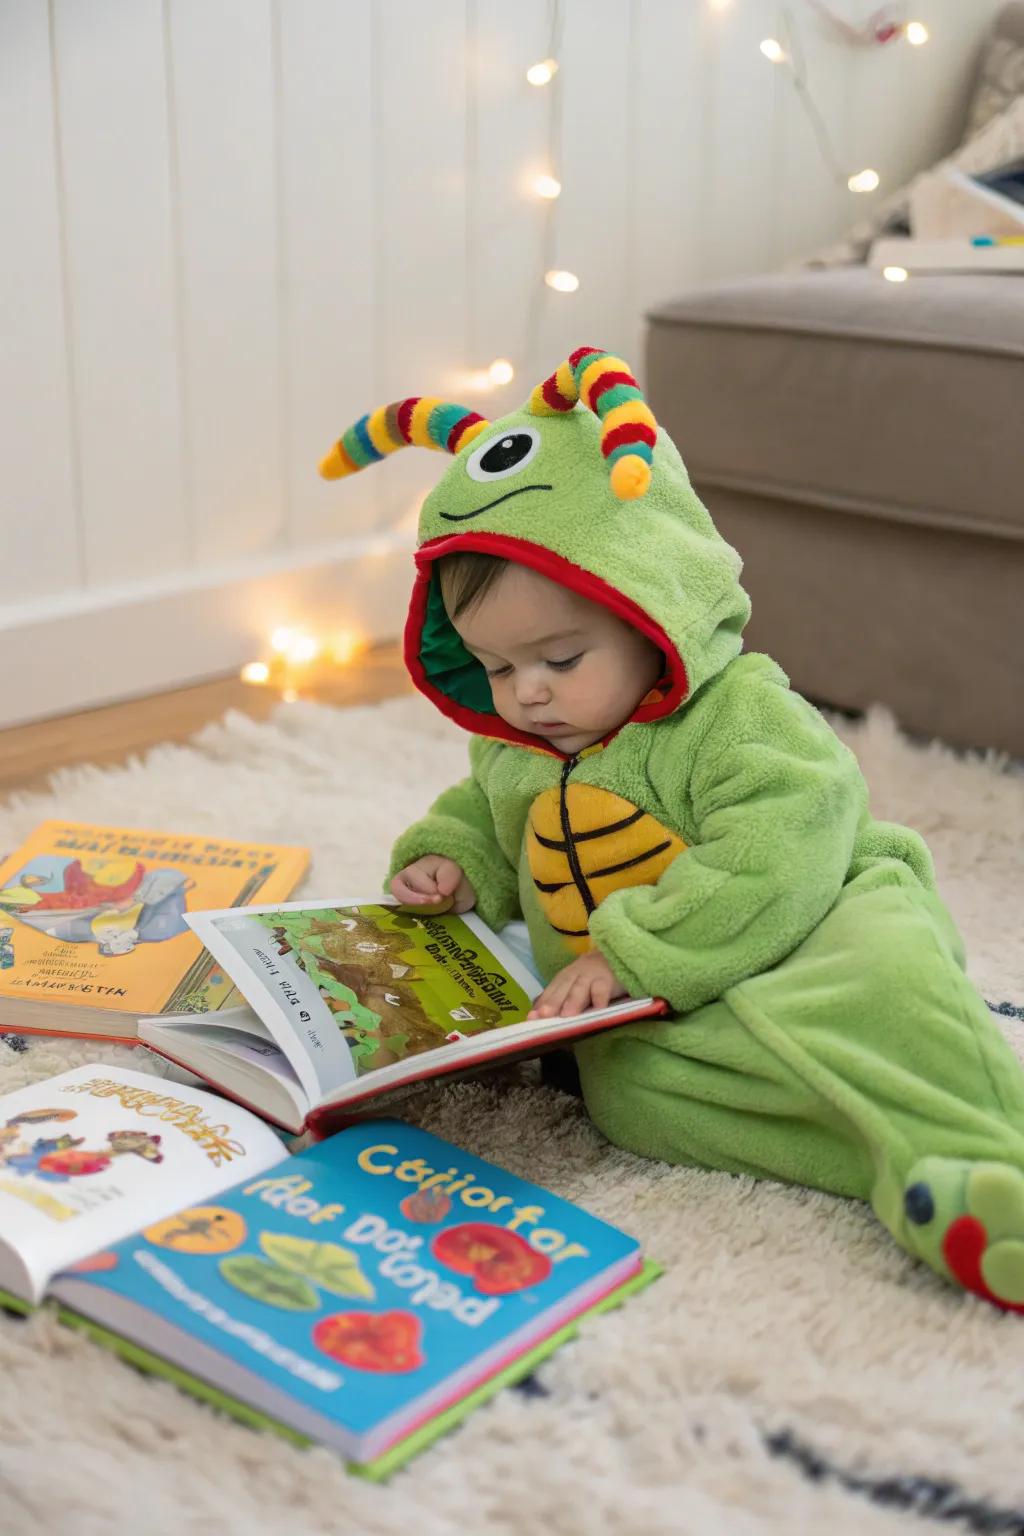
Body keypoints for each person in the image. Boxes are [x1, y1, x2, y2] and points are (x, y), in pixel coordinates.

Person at [320, 346, 1024, 1313]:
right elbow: (483, 811)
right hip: (653, 999)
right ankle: (890, 1166)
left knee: (888, 994)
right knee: (635, 1100)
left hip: (818, 908)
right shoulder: (519, 743)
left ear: (651, 610)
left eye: (561, 657)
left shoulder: (740, 715)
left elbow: (790, 837)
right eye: (491, 665)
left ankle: (990, 1163)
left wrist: (636, 950)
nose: (526, 693)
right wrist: (451, 861)